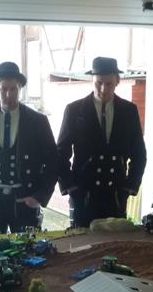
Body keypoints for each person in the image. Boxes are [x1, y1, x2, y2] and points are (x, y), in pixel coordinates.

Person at [0, 62, 58, 233]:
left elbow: (53, 162)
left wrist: (40, 196)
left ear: (20, 88)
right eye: (4, 89)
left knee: (27, 247)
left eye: (13, 89)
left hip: (25, 200)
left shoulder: (38, 121)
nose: (8, 95)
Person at [57, 56, 147, 228]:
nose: (103, 89)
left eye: (109, 83)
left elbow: (139, 153)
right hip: (84, 194)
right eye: (99, 83)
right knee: (82, 241)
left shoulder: (129, 111)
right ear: (92, 80)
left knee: (113, 241)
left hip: (115, 195)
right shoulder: (75, 110)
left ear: (117, 82)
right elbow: (61, 153)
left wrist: (129, 187)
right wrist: (70, 187)